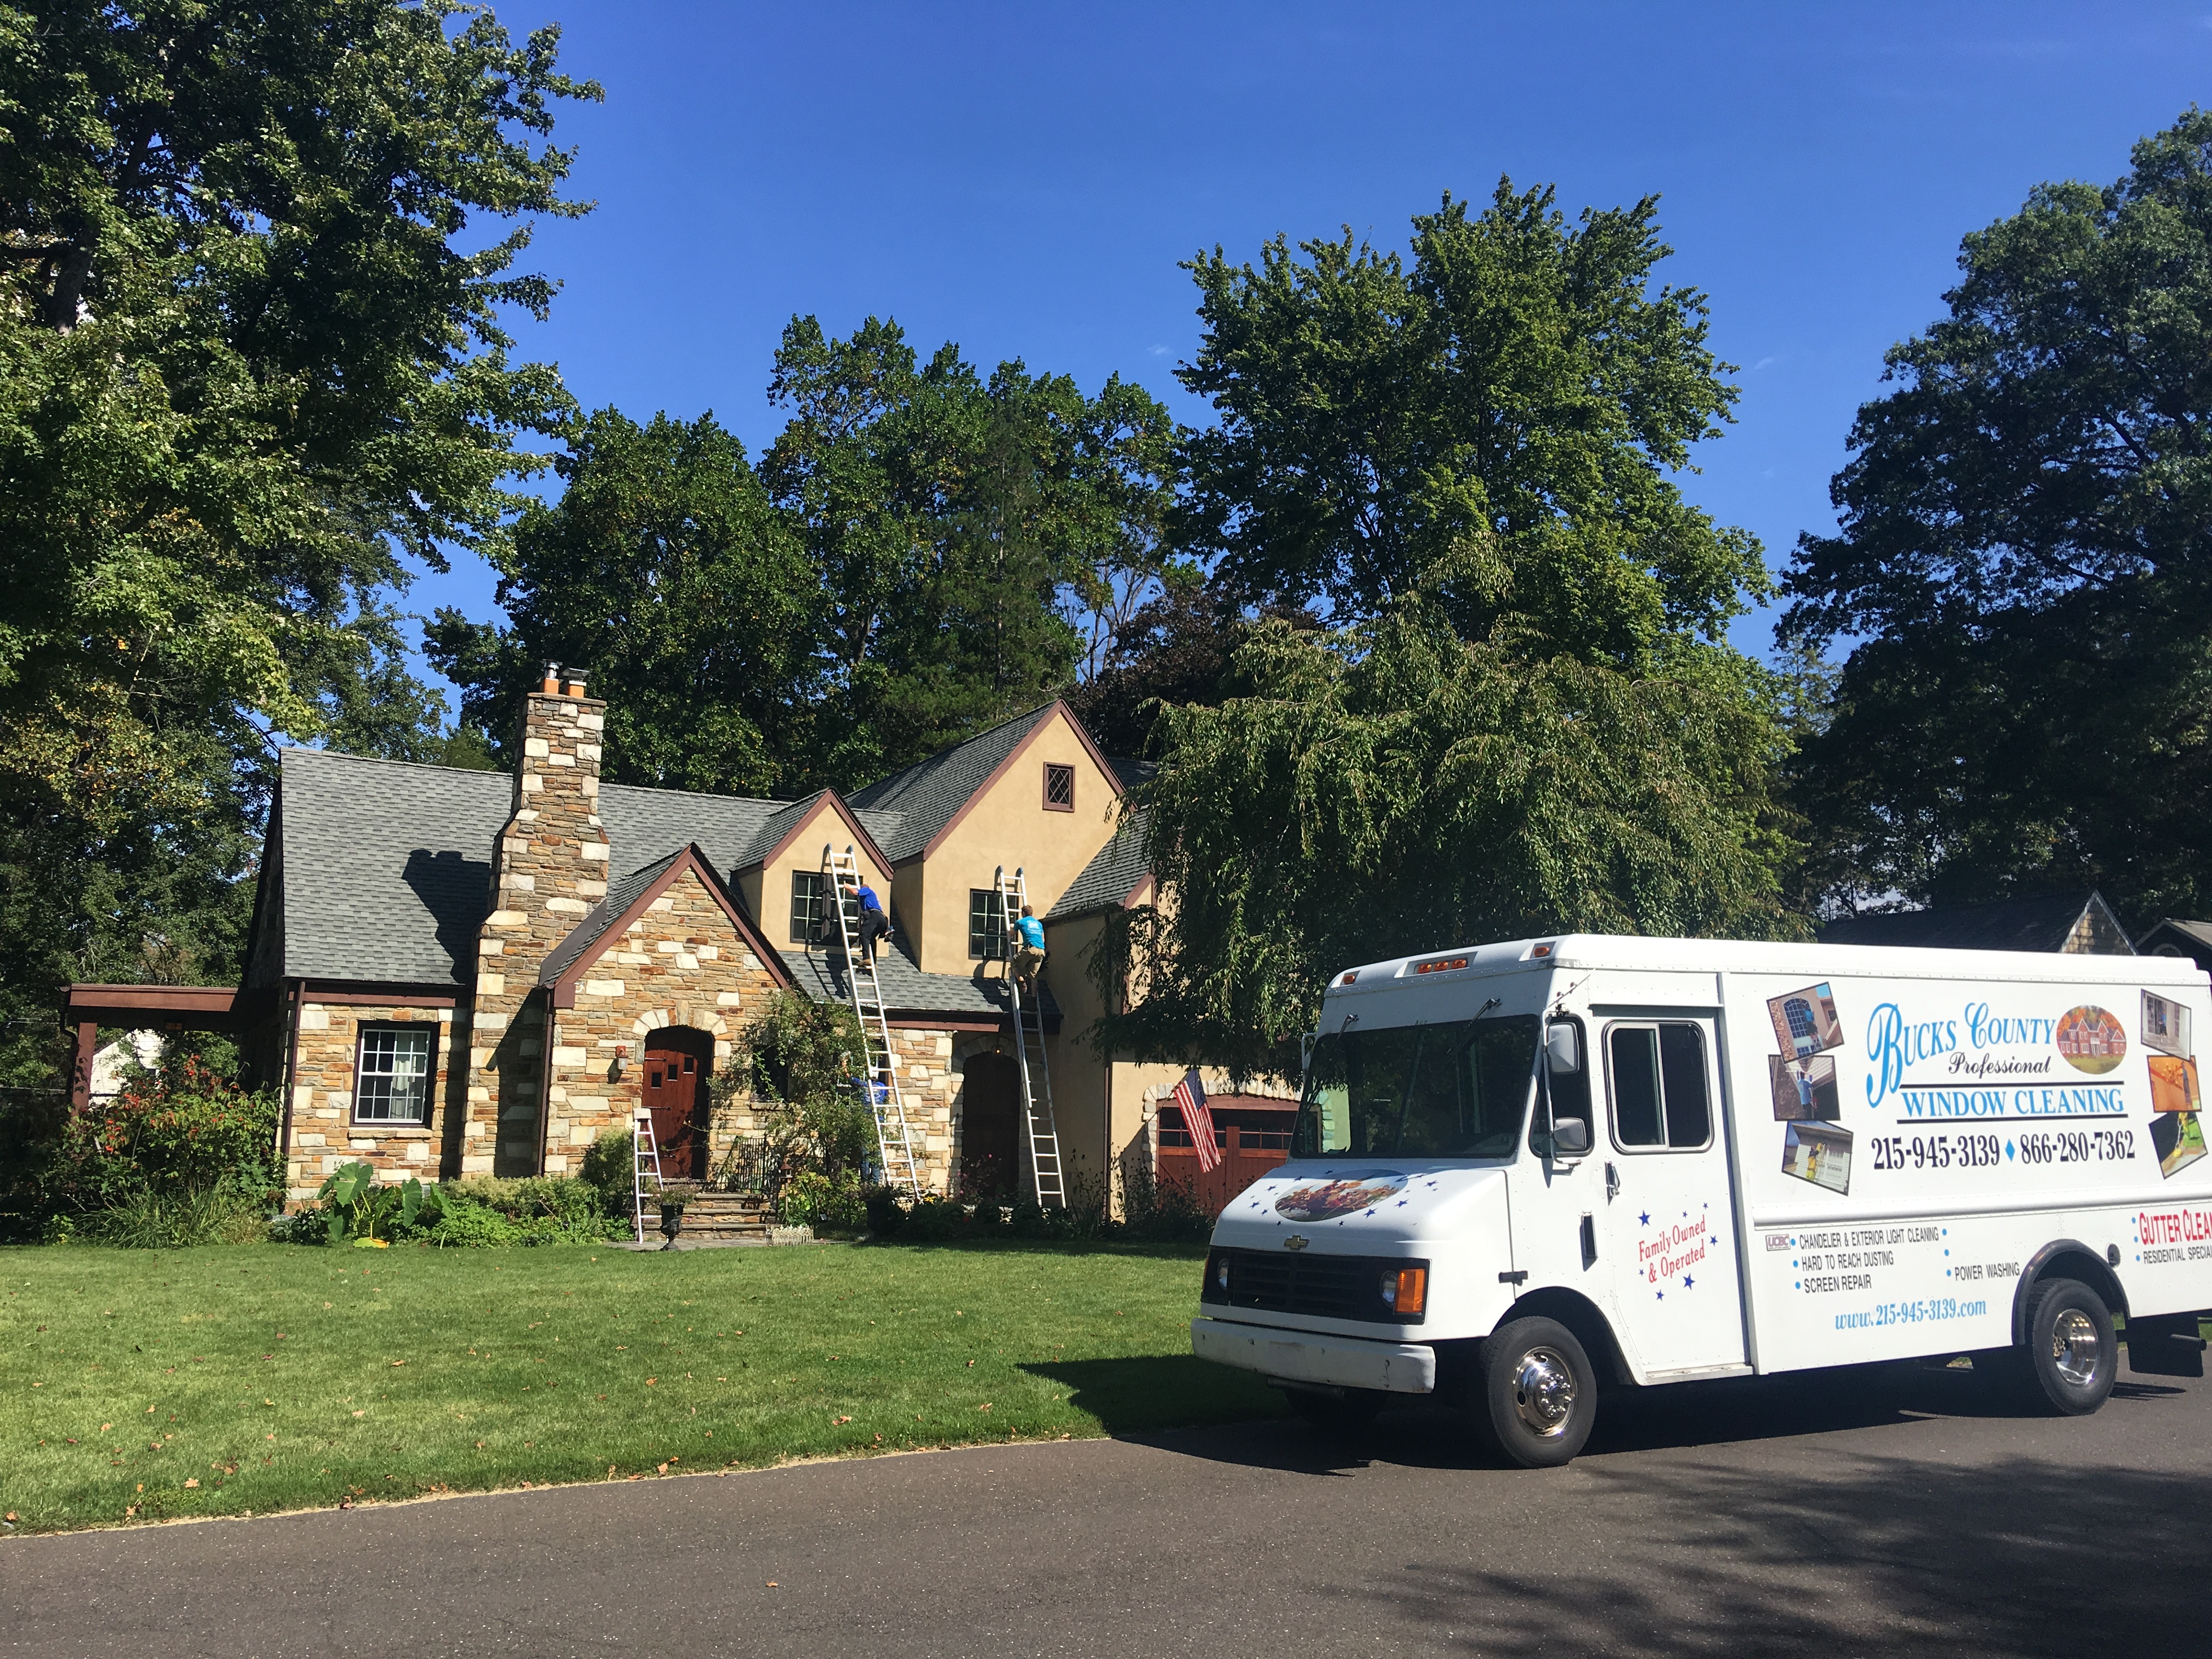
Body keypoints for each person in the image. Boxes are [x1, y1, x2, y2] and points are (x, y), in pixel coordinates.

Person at [1010, 904, 1046, 997]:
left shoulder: (1020, 922)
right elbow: (1043, 940)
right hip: (1041, 951)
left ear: (1023, 913)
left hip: (1031, 949)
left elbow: (1011, 934)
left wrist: (1011, 928)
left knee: (1015, 962)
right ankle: (1034, 998)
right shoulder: (1039, 924)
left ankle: (1022, 981)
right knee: (1033, 976)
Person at [855, 881, 891, 964]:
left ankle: (867, 958)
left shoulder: (867, 890)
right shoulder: (871, 900)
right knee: (871, 938)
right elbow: (868, 922)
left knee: (865, 935)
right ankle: (874, 962)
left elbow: (855, 892)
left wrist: (847, 886)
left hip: (876, 915)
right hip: (882, 920)